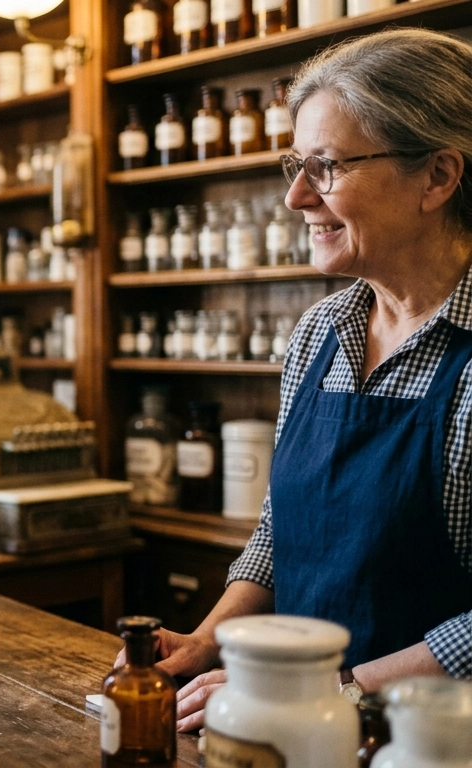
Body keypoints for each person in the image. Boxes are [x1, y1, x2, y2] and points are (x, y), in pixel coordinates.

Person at [139, 29, 472, 730]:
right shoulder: (321, 331)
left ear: (438, 177)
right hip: (297, 720)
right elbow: (280, 529)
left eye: (325, 167)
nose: (294, 198)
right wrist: (210, 639)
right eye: (296, 163)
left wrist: (340, 690)